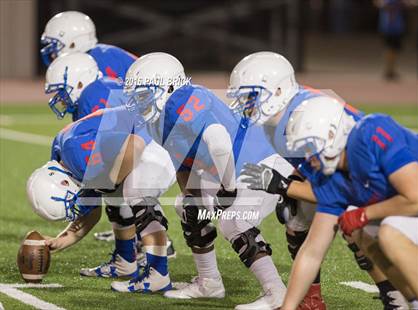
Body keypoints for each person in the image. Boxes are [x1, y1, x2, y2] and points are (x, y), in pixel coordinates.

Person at [124, 52, 300, 309]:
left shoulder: (184, 100)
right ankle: (210, 283)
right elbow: (183, 164)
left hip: (259, 160)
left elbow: (218, 141)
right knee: (188, 209)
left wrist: (228, 190)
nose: (138, 101)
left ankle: (276, 293)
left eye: (143, 93)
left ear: (169, 87)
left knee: (235, 220)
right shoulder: (156, 120)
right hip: (229, 166)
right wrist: (191, 199)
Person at [234, 51, 408, 309]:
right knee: (294, 214)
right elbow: (315, 173)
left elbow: (340, 189)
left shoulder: (305, 115)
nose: (246, 104)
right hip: (342, 174)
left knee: (355, 227)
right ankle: (310, 299)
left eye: (252, 96)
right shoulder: (277, 121)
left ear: (279, 90)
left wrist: (283, 185)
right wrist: (290, 186)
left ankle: (395, 295)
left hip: (378, 178)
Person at [276, 96, 418, 309]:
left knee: (388, 233)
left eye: (309, 146)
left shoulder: (371, 132)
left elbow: (415, 197)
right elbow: (313, 252)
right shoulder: (329, 176)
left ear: (332, 134)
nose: (307, 158)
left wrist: (365, 214)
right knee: (365, 234)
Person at [27, 105, 176, 293]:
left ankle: (158, 274)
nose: (75, 204)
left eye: (70, 201)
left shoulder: (77, 156)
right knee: (113, 192)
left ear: (63, 183)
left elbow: (135, 144)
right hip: (149, 135)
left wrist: (111, 181)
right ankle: (124, 262)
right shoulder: (63, 160)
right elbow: (92, 211)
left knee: (133, 193)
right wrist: (62, 240)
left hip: (158, 139)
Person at [41, 11, 136, 80]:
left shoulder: (98, 62)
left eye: (56, 45)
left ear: (73, 44)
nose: (53, 54)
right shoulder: (97, 56)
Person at [374, 0, 407, 80]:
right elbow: (381, 4)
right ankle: (389, 70)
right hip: (390, 27)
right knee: (390, 49)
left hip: (396, 27)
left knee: (394, 49)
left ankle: (391, 69)